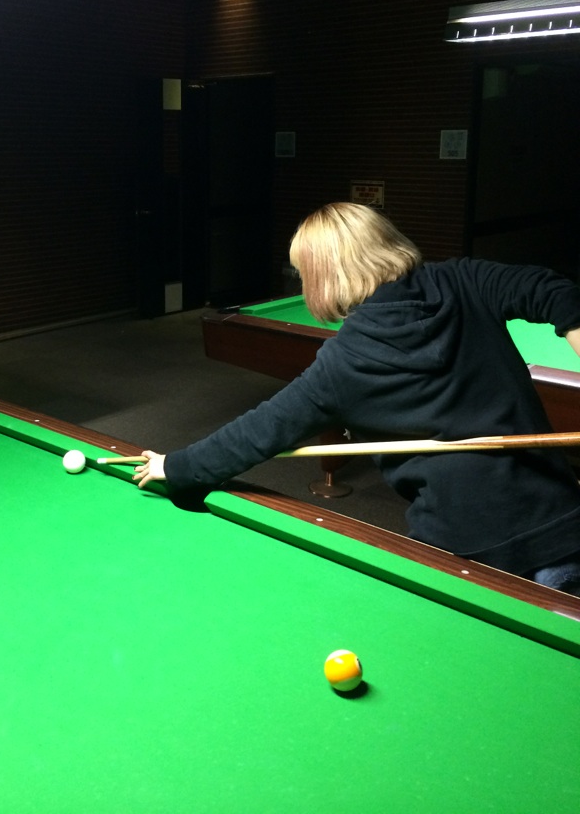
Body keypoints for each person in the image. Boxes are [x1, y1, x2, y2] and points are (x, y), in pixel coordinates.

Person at [134, 202, 580, 594]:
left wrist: (177, 467)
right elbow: (560, 294)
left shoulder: (343, 363)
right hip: (563, 527)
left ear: (321, 276)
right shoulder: (465, 280)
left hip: (462, 553)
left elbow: (259, 432)